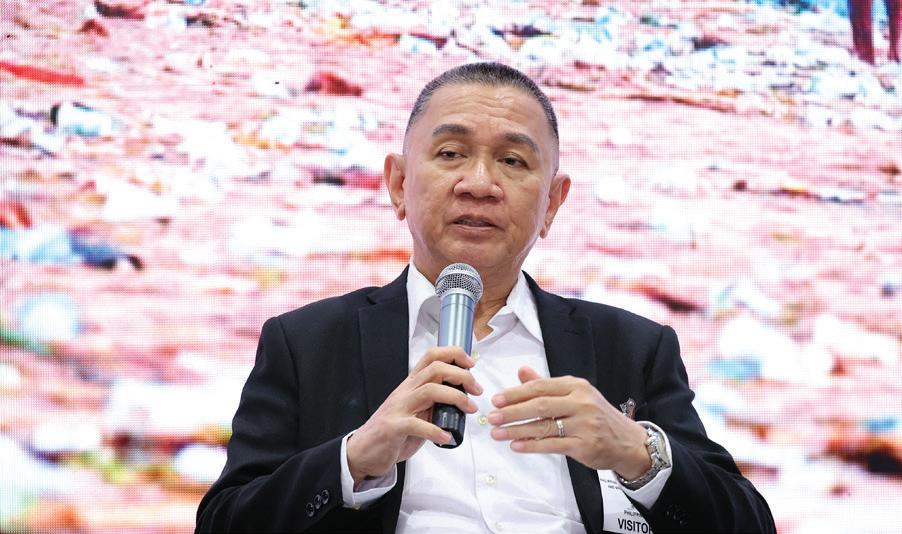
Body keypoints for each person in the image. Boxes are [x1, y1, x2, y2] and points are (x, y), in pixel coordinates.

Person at [195, 62, 775, 533]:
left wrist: (637, 452)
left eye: (513, 161)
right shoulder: (307, 342)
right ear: (398, 184)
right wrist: (353, 459)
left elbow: (747, 523)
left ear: (552, 203)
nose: (479, 183)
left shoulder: (632, 347)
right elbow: (223, 522)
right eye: (451, 153)